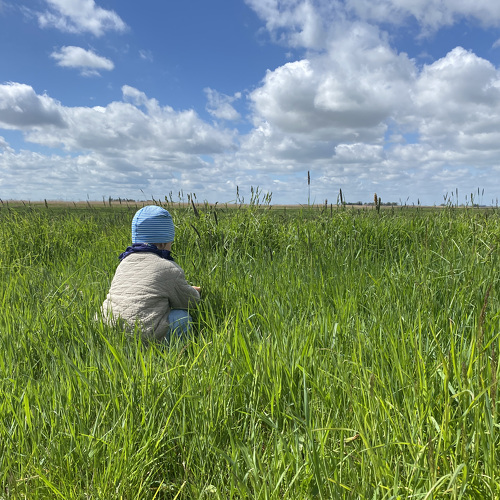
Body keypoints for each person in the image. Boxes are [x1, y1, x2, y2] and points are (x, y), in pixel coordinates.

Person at [101, 205, 201, 344]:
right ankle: (178, 354)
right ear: (162, 244)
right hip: (142, 334)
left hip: (109, 330)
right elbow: (189, 302)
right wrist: (194, 292)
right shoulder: (168, 268)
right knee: (181, 317)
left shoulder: (123, 263)